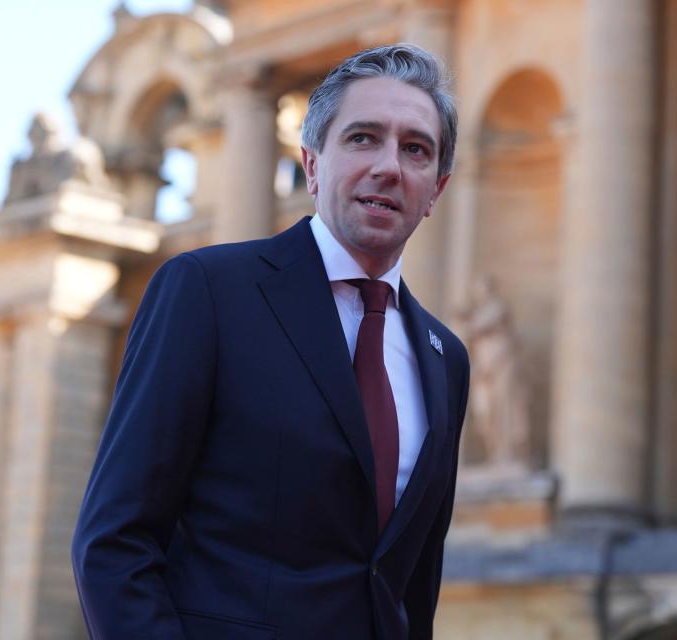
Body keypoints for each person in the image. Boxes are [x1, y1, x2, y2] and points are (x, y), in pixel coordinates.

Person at [72, 43, 470, 639]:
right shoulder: (208, 290)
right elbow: (114, 542)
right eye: (363, 138)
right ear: (312, 163)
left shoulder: (446, 358)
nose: (389, 165)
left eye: (415, 149)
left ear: (435, 189)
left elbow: (412, 583)